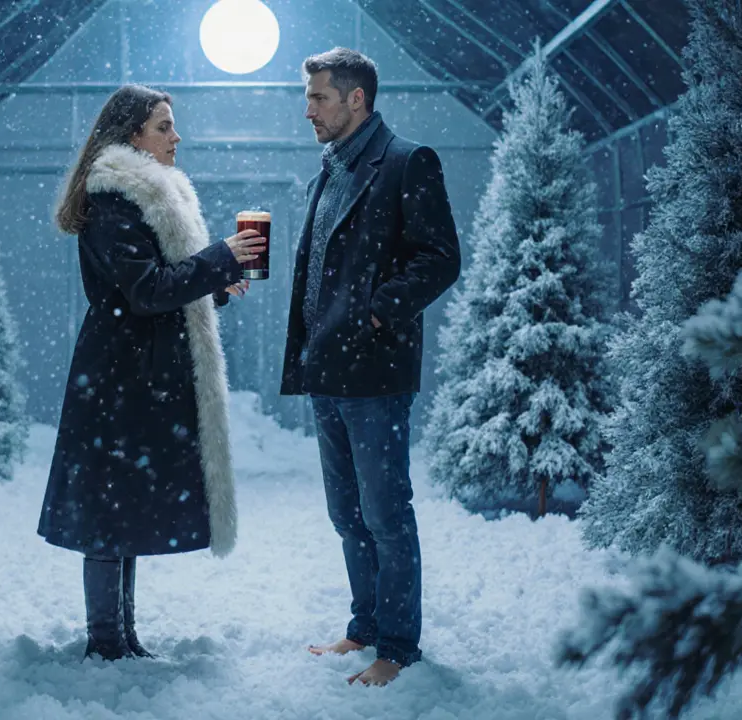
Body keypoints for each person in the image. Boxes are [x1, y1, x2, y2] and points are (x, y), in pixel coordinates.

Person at [39, 84, 267, 661]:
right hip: (120, 373)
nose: (176, 136)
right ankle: (106, 640)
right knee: (108, 512)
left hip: (131, 368)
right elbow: (145, 291)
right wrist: (219, 259)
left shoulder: (142, 195)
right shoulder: (117, 195)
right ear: (132, 134)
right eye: (163, 126)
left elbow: (158, 284)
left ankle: (121, 636)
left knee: (120, 507)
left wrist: (215, 283)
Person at [281, 48, 461, 686]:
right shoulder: (328, 170)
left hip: (375, 373)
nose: (308, 111)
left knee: (386, 515)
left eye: (318, 98)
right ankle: (363, 628)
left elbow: (440, 258)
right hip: (326, 371)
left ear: (356, 99)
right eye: (308, 99)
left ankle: (398, 646)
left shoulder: (408, 162)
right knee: (347, 515)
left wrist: (376, 314)